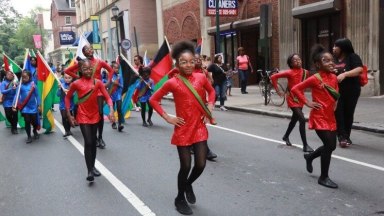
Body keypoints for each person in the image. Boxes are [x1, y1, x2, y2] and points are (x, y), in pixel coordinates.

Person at [149, 41, 215, 215]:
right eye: (183, 62)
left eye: (191, 61)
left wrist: (210, 106)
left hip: (199, 127)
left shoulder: (201, 77)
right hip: (183, 128)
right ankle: (179, 198)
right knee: (185, 166)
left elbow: (212, 92)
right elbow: (153, 99)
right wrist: (167, 117)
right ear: (177, 64)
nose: (188, 65)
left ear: (195, 62)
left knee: (200, 164)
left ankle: (187, 184)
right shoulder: (172, 82)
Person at [291, 44, 339, 189]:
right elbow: (295, 88)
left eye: (331, 60)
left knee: (331, 147)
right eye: (326, 60)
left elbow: (336, 94)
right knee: (329, 145)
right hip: (319, 117)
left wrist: (335, 105)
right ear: (318, 64)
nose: (330, 63)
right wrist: (307, 102)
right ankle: (323, 177)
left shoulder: (334, 77)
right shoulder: (315, 78)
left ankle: (310, 156)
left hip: (330, 116)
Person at [65, 59, 114, 182]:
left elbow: (107, 98)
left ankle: (92, 166)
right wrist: (69, 114)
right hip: (82, 116)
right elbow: (67, 98)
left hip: (95, 115)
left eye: (90, 68)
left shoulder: (98, 82)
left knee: (93, 142)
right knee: (88, 142)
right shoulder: (76, 83)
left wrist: (111, 109)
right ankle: (89, 171)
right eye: (85, 69)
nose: (88, 71)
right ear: (80, 70)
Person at [65, 45, 114, 149]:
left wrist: (108, 82)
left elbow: (111, 70)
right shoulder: (82, 63)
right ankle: (93, 137)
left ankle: (100, 137)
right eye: (87, 49)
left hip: (98, 90)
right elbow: (68, 71)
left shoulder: (99, 62)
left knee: (100, 114)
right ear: (83, 52)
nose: (90, 50)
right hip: (85, 90)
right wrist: (79, 77)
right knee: (87, 113)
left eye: (91, 48)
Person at [270, 54, 314, 152]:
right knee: (302, 119)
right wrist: (277, 90)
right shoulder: (289, 72)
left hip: (300, 98)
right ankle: (305, 145)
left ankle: (286, 136)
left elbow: (310, 83)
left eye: (299, 59)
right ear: (291, 63)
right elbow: (273, 77)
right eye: (295, 60)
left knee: (294, 119)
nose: (298, 61)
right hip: (292, 98)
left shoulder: (306, 72)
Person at [332, 38, 363, 148]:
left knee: (348, 113)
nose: (333, 48)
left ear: (343, 48)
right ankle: (342, 137)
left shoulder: (352, 57)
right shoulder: (334, 59)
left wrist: (345, 74)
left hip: (352, 90)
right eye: (334, 46)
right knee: (338, 113)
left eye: (336, 46)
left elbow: (359, 69)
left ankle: (346, 136)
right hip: (336, 91)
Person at [13, 70, 41, 143]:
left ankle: (35, 131)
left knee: (35, 122)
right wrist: (14, 105)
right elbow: (16, 96)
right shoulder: (20, 86)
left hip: (33, 107)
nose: (24, 78)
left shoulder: (33, 85)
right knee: (27, 121)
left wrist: (38, 105)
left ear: (29, 77)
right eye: (23, 77)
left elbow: (37, 95)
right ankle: (29, 136)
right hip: (25, 107)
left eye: (25, 77)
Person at [109, 62, 124, 132]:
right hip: (111, 94)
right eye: (115, 68)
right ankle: (113, 122)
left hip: (118, 95)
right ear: (112, 68)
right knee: (112, 109)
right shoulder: (110, 76)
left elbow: (122, 86)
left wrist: (117, 84)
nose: (116, 69)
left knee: (119, 109)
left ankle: (120, 124)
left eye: (118, 68)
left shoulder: (119, 76)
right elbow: (107, 84)